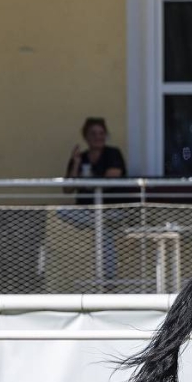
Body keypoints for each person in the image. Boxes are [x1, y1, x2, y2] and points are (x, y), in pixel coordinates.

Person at [62, 117, 129, 289]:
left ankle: (108, 280)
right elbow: (67, 189)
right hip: (87, 212)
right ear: (86, 136)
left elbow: (113, 175)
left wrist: (86, 183)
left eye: (101, 133)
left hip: (113, 210)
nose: (97, 137)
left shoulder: (113, 153)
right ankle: (108, 282)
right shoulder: (81, 157)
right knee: (61, 211)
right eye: (93, 133)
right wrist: (76, 163)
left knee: (103, 225)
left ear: (106, 135)